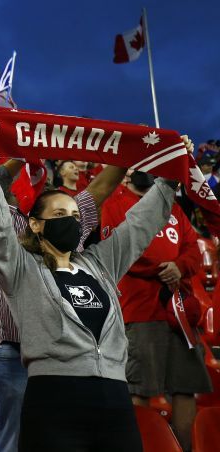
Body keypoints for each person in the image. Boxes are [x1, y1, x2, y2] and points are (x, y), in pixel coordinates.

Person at [0, 107, 192, 452]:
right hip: (54, 398)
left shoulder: (99, 262)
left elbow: (139, 226)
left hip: (114, 397)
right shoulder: (22, 267)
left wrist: (170, 177)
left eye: (75, 215)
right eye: (59, 214)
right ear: (35, 224)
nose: (72, 220)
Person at [0, 157, 126, 452]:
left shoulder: (61, 221)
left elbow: (98, 190)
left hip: (65, 358)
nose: (33, 184)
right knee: (12, 438)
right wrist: (20, 152)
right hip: (13, 347)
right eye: (26, 178)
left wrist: (128, 153)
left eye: (38, 178)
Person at [102, 170, 212, 450]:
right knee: (140, 389)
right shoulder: (115, 204)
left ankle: (186, 447)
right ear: (128, 169)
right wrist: (164, 269)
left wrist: (180, 267)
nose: (150, 170)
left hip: (178, 316)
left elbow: (193, 250)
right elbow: (119, 248)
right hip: (140, 312)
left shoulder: (172, 206)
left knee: (185, 386)